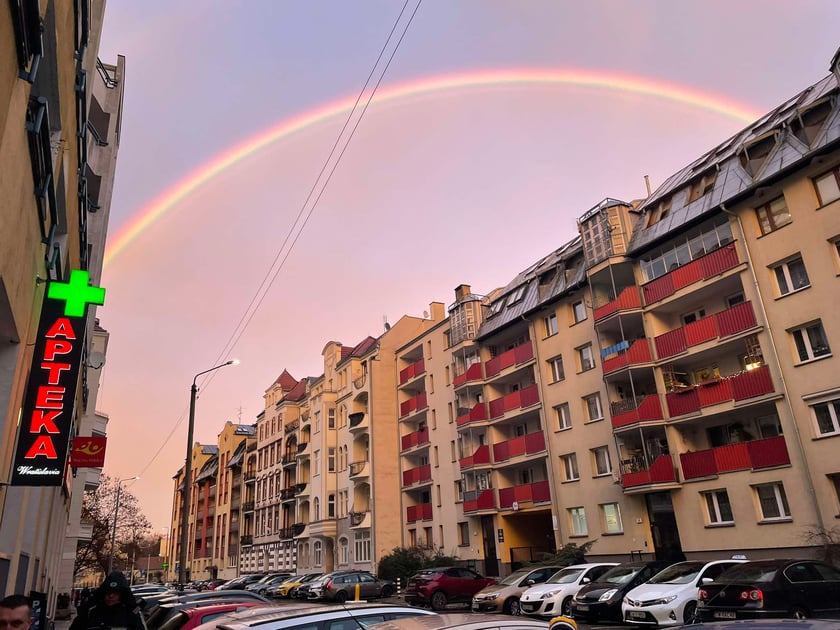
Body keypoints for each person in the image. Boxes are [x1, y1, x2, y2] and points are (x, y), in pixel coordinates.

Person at [69, 572, 145, 630]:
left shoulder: (131, 615)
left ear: (122, 595)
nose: (111, 596)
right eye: (108, 592)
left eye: (115, 593)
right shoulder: (91, 613)